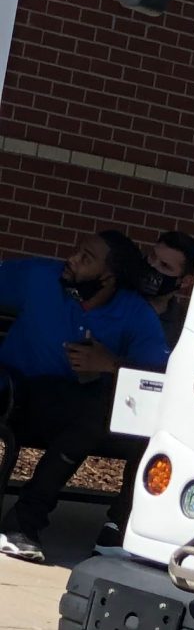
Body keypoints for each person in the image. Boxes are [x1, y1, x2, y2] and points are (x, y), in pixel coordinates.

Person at [0, 228, 170, 561]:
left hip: (74, 411)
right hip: (15, 390)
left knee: (117, 417)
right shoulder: (40, 277)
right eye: (77, 251)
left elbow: (159, 380)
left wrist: (111, 364)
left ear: (108, 277)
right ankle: (22, 524)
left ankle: (38, 525)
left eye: (85, 258)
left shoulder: (134, 313)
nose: (72, 259)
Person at [94, 226, 194, 549]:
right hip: (93, 401)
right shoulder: (112, 298)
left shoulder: (185, 327)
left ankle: (119, 523)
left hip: (142, 416)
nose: (153, 269)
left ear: (183, 282)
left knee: (158, 436)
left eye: (166, 268)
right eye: (152, 258)